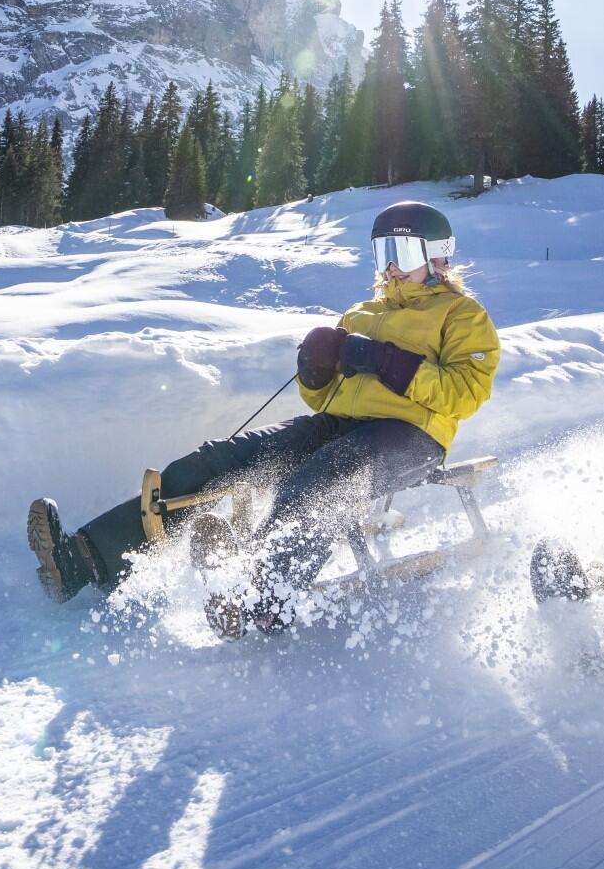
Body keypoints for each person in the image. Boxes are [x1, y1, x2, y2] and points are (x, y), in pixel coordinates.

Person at [26, 201, 500, 620]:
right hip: (339, 425)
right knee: (217, 461)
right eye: (383, 255)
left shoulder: (462, 316)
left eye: (406, 255)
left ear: (438, 257)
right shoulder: (360, 314)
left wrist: (383, 360)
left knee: (320, 481)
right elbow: (324, 399)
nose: (392, 268)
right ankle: (83, 561)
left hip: (409, 438)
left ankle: (261, 600)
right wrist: (315, 373)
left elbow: (466, 393)